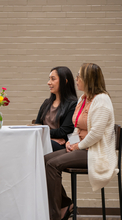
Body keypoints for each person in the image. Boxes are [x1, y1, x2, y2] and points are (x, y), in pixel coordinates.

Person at [44, 63, 119, 220]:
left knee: (52, 165)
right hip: (81, 148)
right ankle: (65, 205)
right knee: (44, 160)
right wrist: (70, 142)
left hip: (94, 152)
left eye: (79, 76)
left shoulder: (102, 100)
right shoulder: (83, 99)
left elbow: (96, 133)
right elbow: (76, 127)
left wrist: (78, 146)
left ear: (89, 79)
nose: (76, 79)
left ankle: (55, 215)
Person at [35, 66, 77, 151]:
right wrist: (50, 138)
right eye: (49, 79)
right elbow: (36, 126)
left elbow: (63, 131)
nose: (48, 83)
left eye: (53, 79)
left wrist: (45, 135)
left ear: (65, 82)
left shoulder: (73, 104)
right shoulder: (46, 103)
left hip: (62, 145)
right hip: (48, 141)